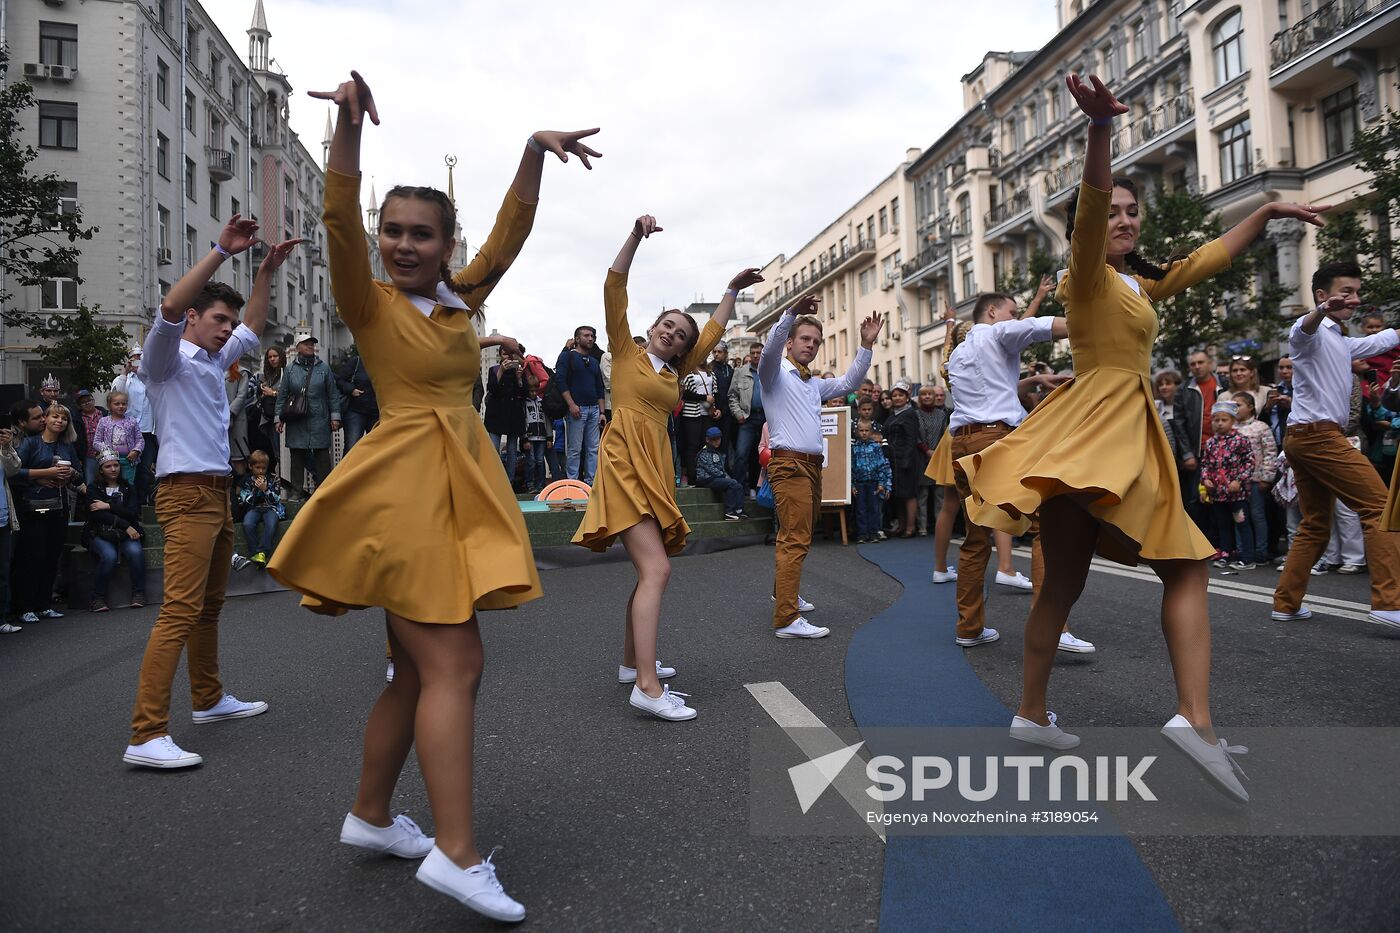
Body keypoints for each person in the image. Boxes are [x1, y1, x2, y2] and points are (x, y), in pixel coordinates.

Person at [272, 70, 599, 922]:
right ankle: (455, 854)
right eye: (395, 232)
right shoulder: (369, 304)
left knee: (418, 674)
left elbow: (509, 236)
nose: (405, 244)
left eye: (423, 233)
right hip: (404, 494)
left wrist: (531, 151)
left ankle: (371, 815)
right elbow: (337, 216)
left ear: (446, 244)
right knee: (457, 663)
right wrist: (349, 129)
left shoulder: (461, 299)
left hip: (447, 489)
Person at [960, 73, 1329, 801]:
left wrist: (1268, 208)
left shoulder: (1136, 285)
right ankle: (1195, 720)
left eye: (1135, 213)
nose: (1125, 220)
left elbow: (1205, 258)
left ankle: (1031, 713)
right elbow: (1091, 209)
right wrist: (1099, 132)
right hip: (1104, 429)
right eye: (1116, 212)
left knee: (1061, 583)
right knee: (1186, 569)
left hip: (1097, 434)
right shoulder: (1087, 277)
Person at [123, 217, 299, 775]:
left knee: (207, 609)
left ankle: (207, 700)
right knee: (179, 610)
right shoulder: (165, 361)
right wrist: (222, 250)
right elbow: (171, 308)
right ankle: (146, 732)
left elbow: (254, 322)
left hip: (217, 494)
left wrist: (265, 269)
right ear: (194, 319)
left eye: (228, 321)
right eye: (216, 319)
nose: (228, 330)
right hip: (185, 494)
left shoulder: (215, 358)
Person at [572, 213, 748, 720]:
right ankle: (646, 687)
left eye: (679, 334)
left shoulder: (678, 370)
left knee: (646, 570)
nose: (672, 334)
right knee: (658, 568)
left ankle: (633, 664)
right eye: (667, 325)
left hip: (653, 466)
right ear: (653, 327)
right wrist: (635, 236)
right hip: (625, 462)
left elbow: (712, 334)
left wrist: (730, 291)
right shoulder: (626, 352)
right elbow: (614, 285)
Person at [946, 292, 1090, 652]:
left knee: (975, 537)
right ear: (992, 312)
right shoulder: (997, 334)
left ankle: (969, 627)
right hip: (997, 440)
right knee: (1047, 526)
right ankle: (1052, 627)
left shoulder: (958, 353)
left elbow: (991, 391)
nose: (1013, 317)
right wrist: (1093, 321)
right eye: (1009, 311)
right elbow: (1038, 326)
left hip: (964, 442)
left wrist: (1032, 383)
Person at [1276, 260, 1400, 632]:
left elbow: (1382, 339)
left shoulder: (1342, 342)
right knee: (1380, 507)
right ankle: (1390, 603)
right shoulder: (1309, 331)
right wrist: (1319, 311)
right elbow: (1302, 329)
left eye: (1357, 292)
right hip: (1318, 436)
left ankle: (1285, 603)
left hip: (1303, 437)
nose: (1354, 299)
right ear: (1321, 295)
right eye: (1346, 292)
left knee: (1315, 524)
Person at [762, 294, 881, 639]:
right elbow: (769, 351)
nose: (811, 346)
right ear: (789, 342)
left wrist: (866, 345)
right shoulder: (775, 373)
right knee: (795, 538)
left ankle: (783, 594)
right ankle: (786, 618)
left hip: (811, 468)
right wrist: (790, 313)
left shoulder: (812, 383)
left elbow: (849, 384)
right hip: (789, 466)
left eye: (816, 342)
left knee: (797, 535)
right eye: (805, 339)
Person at [12, 402, 85, 623]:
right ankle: (26, 607)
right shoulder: (31, 443)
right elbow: (14, 472)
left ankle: (44, 605)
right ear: (46, 418)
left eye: (64, 419)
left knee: (52, 557)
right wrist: (43, 474)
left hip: (59, 508)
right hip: (36, 508)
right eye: (55, 417)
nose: (59, 421)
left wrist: (71, 473)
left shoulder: (66, 446)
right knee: (34, 558)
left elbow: (80, 478)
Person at [276, 333, 342, 498]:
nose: (310, 346)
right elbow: (282, 395)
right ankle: (296, 492)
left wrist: (335, 417)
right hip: (296, 419)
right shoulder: (290, 370)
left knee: (322, 457)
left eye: (312, 344)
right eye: (306, 344)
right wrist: (279, 419)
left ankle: (324, 492)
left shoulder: (324, 368)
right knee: (296, 456)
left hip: (319, 418)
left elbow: (333, 394)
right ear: (297, 347)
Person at [82, 449, 147, 612]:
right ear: (101, 469)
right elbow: (97, 515)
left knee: (136, 552)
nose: (113, 469)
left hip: (125, 533)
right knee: (109, 556)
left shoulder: (128, 487)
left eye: (116, 465)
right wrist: (125, 524)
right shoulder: (93, 488)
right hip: (100, 531)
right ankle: (97, 598)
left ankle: (139, 593)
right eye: (108, 466)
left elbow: (132, 512)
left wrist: (109, 506)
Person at [1199, 400, 1256, 569]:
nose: (1220, 423)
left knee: (1241, 522)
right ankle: (1225, 553)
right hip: (1217, 494)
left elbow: (1249, 462)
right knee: (1222, 524)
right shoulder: (1210, 443)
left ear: (1233, 421)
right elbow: (1205, 464)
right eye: (1216, 420)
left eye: (1224, 420)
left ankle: (1248, 557)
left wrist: (1239, 480)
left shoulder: (1240, 440)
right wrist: (1205, 479)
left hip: (1236, 494)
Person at [1231, 391, 1277, 566]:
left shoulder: (1261, 427)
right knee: (1239, 516)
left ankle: (1261, 551)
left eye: (1238, 405)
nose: (1234, 409)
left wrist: (1267, 477)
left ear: (1250, 407)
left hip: (1256, 480)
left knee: (1257, 515)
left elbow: (1270, 453)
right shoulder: (1231, 428)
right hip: (1236, 482)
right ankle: (1243, 550)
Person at [556, 325, 607, 484]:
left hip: (594, 409)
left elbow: (599, 386)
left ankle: (591, 482)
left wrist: (602, 412)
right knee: (574, 449)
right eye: (586, 335)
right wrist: (571, 404)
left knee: (593, 449)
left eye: (592, 336)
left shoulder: (593, 361)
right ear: (577, 339)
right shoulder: (567, 357)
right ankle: (572, 482)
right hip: (577, 408)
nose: (590, 338)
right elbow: (560, 380)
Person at [110, 348, 158, 505]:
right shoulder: (123, 379)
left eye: (141, 358)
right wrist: (125, 371)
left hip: (146, 430)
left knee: (144, 469)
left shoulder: (152, 378)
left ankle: (140, 503)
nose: (137, 360)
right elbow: (116, 395)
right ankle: (126, 502)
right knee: (127, 468)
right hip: (127, 431)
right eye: (134, 358)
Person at [882, 383, 922, 537]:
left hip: (907, 459)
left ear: (907, 397)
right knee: (898, 494)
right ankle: (902, 525)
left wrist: (907, 460)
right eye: (895, 395)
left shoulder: (910, 414)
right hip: (893, 460)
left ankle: (911, 528)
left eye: (901, 395)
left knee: (908, 494)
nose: (897, 398)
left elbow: (912, 439)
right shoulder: (893, 415)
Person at [484, 348, 527, 487]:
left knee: (512, 450)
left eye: (510, 355)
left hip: (513, 414)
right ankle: (495, 480)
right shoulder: (494, 369)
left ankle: (509, 481)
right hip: (496, 414)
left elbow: (524, 393)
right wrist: (501, 371)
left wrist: (520, 378)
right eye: (504, 355)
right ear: (500, 356)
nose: (507, 358)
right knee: (494, 448)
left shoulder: (519, 371)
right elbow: (491, 388)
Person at [727, 341, 766, 491]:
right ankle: (739, 490)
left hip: (767, 420)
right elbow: (732, 396)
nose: (756, 355)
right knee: (741, 454)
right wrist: (738, 414)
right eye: (753, 353)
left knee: (764, 456)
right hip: (747, 419)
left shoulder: (770, 371)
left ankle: (760, 489)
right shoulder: (740, 372)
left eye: (759, 353)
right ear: (749, 354)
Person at [237, 450, 285, 566]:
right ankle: (254, 553)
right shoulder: (247, 481)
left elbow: (277, 498)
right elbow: (244, 499)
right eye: (257, 467)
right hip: (253, 509)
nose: (260, 471)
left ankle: (262, 552)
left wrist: (265, 489)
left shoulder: (273, 479)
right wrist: (256, 490)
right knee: (248, 524)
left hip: (270, 508)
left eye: (263, 468)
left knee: (271, 523)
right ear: (250, 466)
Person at [913, 384, 949, 536]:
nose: (927, 396)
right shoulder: (915, 414)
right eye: (924, 394)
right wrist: (926, 450)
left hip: (939, 458)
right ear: (919, 397)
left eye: (930, 394)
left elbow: (946, 434)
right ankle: (922, 527)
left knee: (940, 495)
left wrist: (938, 451)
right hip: (921, 458)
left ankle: (940, 526)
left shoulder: (941, 415)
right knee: (922, 495)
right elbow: (914, 435)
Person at [247, 346, 286, 477]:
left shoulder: (287, 373)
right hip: (266, 419)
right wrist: (260, 391)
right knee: (274, 452)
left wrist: (273, 393)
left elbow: (292, 394)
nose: (272, 359)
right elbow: (248, 392)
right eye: (269, 357)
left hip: (284, 419)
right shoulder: (262, 375)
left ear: (281, 357)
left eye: (275, 356)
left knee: (285, 453)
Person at [851, 418, 891, 543]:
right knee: (861, 509)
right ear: (857, 431)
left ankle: (874, 532)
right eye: (861, 430)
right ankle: (862, 533)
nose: (864, 433)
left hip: (873, 482)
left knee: (874, 508)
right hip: (860, 482)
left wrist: (882, 483)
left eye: (866, 430)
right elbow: (851, 467)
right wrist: (852, 484)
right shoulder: (854, 448)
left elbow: (881, 465)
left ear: (871, 432)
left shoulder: (875, 447)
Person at [693, 425, 745, 520]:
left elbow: (721, 468)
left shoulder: (718, 452)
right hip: (706, 479)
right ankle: (729, 512)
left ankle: (739, 510)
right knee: (732, 484)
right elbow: (710, 468)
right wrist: (724, 476)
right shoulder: (704, 453)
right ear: (708, 440)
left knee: (738, 485)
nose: (717, 441)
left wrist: (726, 476)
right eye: (714, 439)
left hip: (716, 478)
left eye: (718, 439)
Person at [93, 391, 144, 486]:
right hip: (109, 462)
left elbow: (140, 439)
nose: (121, 406)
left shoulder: (132, 421)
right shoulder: (103, 421)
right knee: (111, 484)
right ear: (109, 405)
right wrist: (108, 451)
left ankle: (127, 500)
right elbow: (96, 442)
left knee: (128, 485)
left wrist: (136, 451)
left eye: (124, 404)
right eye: (117, 404)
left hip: (128, 460)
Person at [0, 413, 21, 633]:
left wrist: (6, 447)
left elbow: (14, 469)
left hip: (4, 519)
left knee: (3, 573)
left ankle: (2, 618)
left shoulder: (2, 449)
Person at [336, 350, 379, 453]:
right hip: (355, 412)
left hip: (377, 413)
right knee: (351, 447)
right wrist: (351, 390)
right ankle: (347, 469)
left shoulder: (385, 364)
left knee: (377, 449)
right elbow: (340, 380)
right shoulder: (357, 361)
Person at [521, 371, 548, 493]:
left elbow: (546, 420)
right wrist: (524, 438)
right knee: (530, 461)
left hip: (541, 436)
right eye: (531, 391)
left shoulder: (541, 402)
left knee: (540, 460)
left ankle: (540, 484)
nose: (533, 393)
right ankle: (529, 484)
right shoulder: (524, 403)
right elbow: (523, 420)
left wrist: (549, 437)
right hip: (530, 437)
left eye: (535, 391)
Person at [75, 390, 108, 486]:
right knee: (90, 482)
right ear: (79, 405)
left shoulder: (104, 414)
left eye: (89, 400)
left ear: (93, 400)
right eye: (83, 402)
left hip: (107, 454)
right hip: (89, 456)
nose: (87, 403)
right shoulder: (77, 419)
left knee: (108, 481)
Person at [711, 343, 736, 460]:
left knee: (726, 443)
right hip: (715, 412)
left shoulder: (730, 370)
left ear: (725, 354)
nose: (716, 354)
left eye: (719, 352)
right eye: (714, 352)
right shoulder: (709, 369)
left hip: (729, 412)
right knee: (714, 442)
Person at [226, 362, 252, 475]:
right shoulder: (215, 369)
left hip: (236, 420)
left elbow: (242, 395)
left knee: (238, 456)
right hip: (216, 420)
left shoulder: (242, 372)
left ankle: (240, 490)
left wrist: (228, 412)